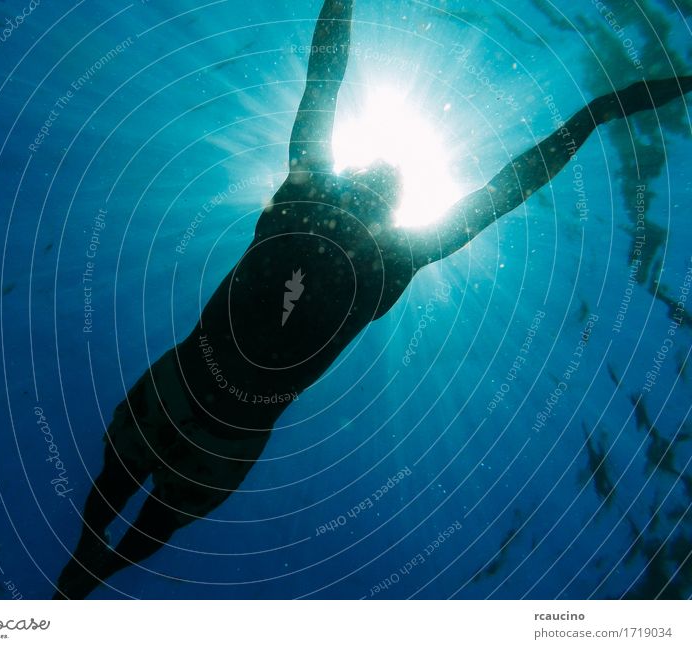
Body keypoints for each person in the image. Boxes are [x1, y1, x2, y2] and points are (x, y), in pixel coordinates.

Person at [54, 0, 692, 598]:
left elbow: (326, 80)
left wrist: (596, 115)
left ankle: (86, 571)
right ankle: (87, 569)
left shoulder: (321, 199)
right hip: (226, 424)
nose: (376, 180)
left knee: (125, 500)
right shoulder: (385, 248)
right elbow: (501, 183)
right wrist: (595, 115)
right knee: (132, 509)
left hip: (193, 392)